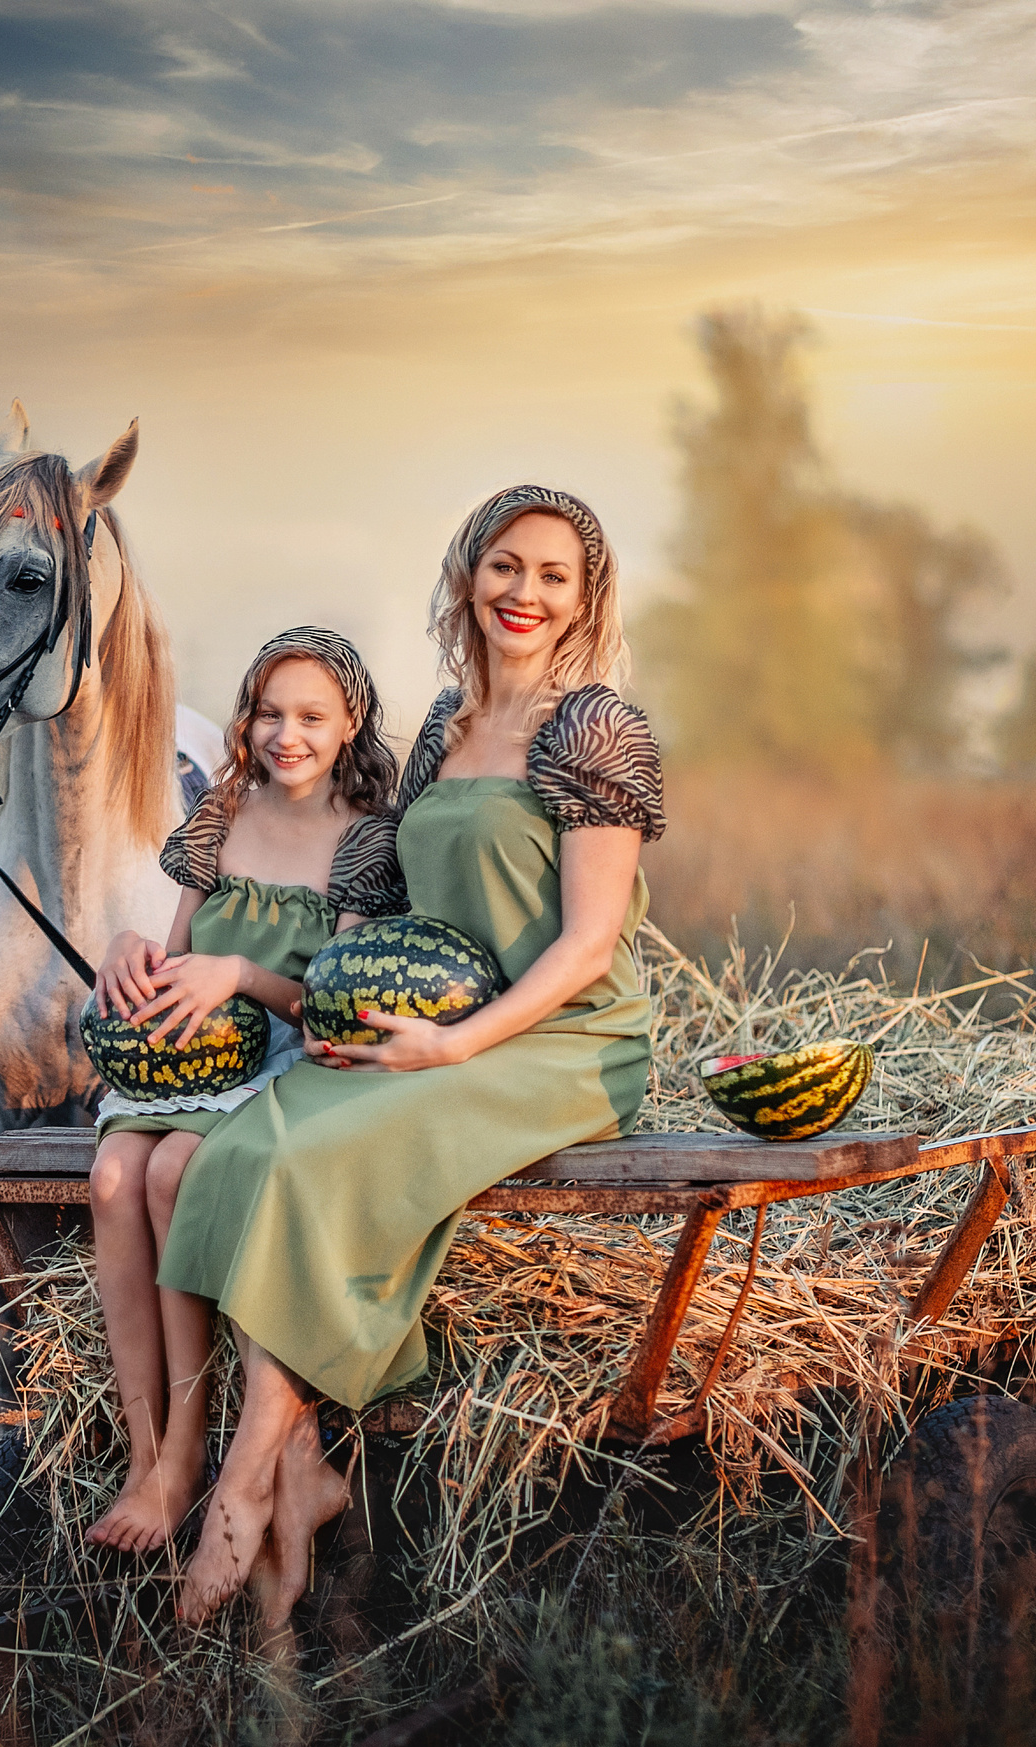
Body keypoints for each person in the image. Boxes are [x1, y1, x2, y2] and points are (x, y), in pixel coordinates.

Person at [159, 485, 665, 1626]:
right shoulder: (442, 724)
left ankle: (244, 1474)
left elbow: (588, 943)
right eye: (503, 566)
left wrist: (454, 1045)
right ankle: (301, 1469)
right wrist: (317, 998)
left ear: (584, 598)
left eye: (550, 575)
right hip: (430, 1018)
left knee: (321, 1161)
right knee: (251, 1143)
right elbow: (361, 880)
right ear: (465, 575)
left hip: (556, 1039)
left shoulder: (596, 728)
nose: (521, 593)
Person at [82, 628, 405, 1553]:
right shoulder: (220, 815)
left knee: (170, 1174)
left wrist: (242, 974)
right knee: (112, 1179)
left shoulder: (364, 841)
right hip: (188, 1054)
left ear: (351, 724)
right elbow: (178, 953)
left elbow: (334, 1008)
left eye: (310, 715)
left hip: (281, 1062)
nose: (285, 734)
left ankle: (186, 1458)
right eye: (269, 712)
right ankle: (143, 1457)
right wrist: (130, 953)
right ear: (246, 720)